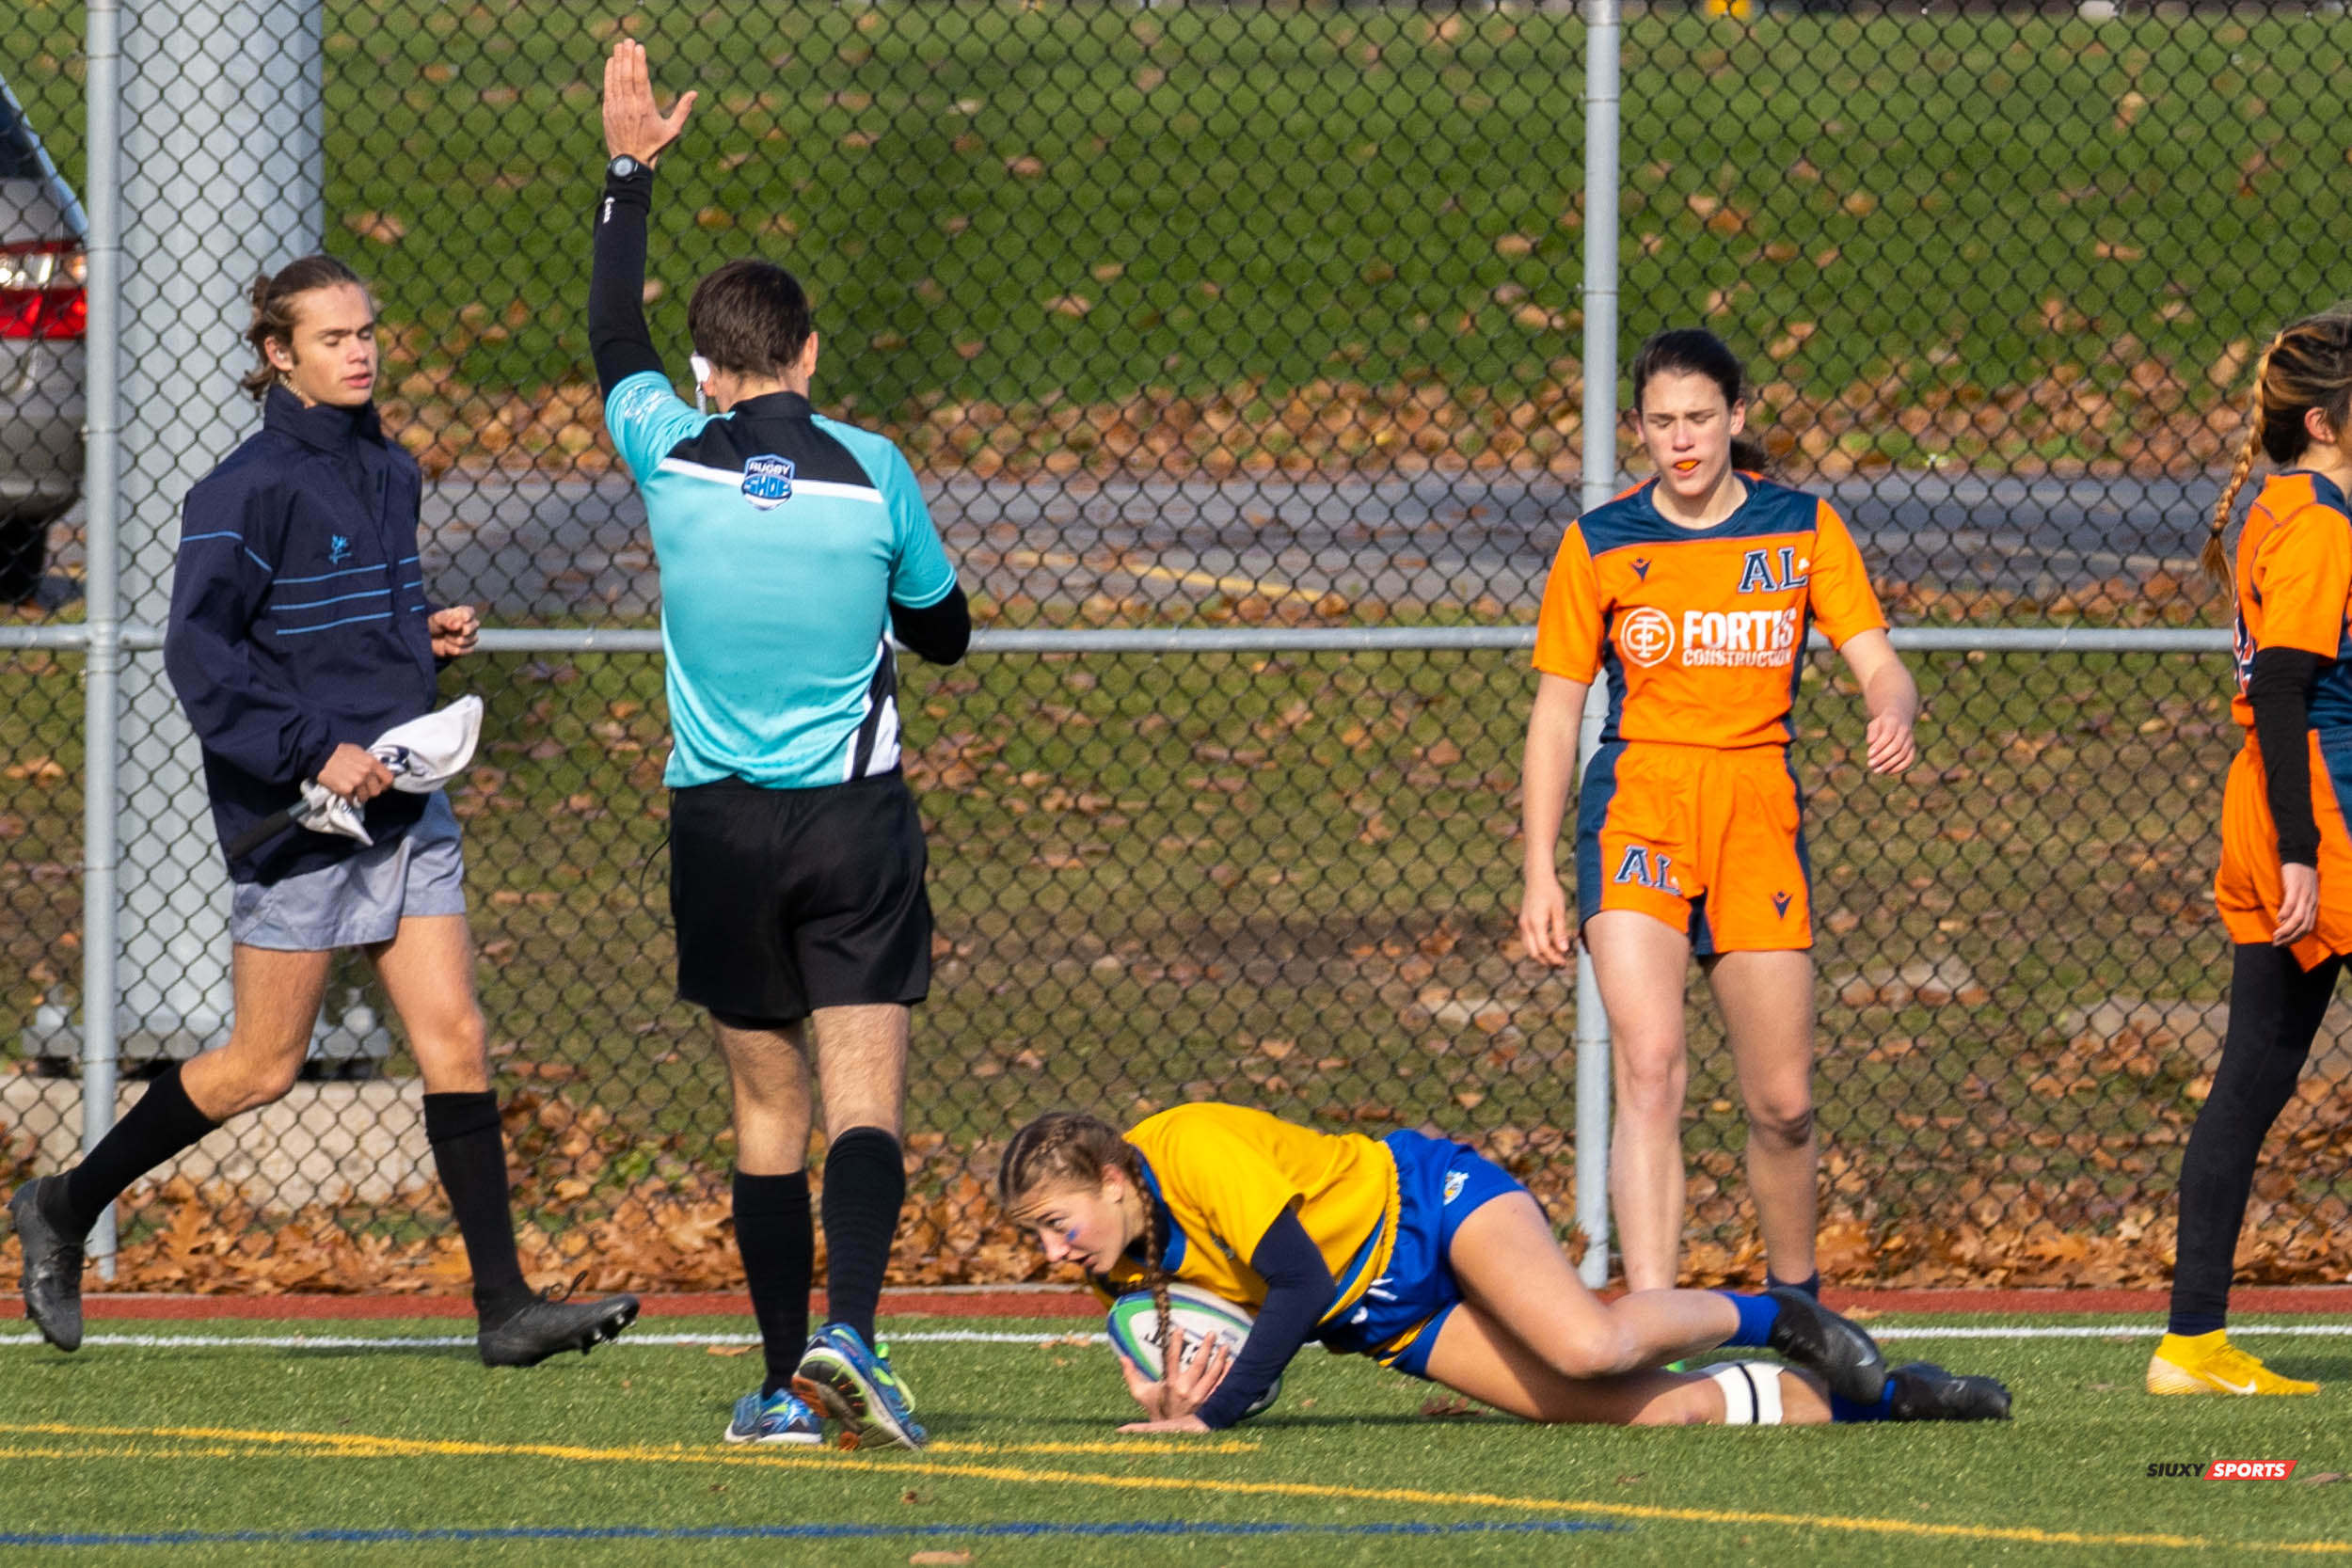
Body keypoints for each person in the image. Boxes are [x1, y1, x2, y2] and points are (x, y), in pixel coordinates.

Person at [5, 255, 639, 1366]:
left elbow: (350, 621)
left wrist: (418, 638)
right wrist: (312, 752)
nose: (361, 350)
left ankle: (505, 1307)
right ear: (276, 356)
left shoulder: (390, 469)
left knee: (456, 1035)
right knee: (260, 1062)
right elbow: (200, 655)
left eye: (367, 331)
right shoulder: (241, 491)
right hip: (299, 816)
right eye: (334, 336)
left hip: (403, 803)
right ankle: (63, 1203)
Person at [591, 41, 971, 1450]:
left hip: (719, 824)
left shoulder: (666, 449)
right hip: (852, 822)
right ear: (810, 354)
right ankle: (852, 1335)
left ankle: (775, 1388)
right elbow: (944, 633)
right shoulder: (874, 468)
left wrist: (629, 175)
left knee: (767, 1101)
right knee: (865, 1087)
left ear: (709, 370)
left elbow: (611, 344)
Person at [1518, 328, 1918, 1297]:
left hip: (1754, 813)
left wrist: (1890, 708)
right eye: (1660, 422)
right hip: (1639, 810)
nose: (1681, 440)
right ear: (1639, 431)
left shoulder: (1801, 527)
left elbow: (1879, 659)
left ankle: (1796, 1306)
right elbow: (1556, 710)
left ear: (1736, 419)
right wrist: (1537, 866)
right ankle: (1651, 1316)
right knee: (1650, 1066)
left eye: (1699, 418)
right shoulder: (1602, 541)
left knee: (1782, 1104)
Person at [998, 1104, 2010, 1431]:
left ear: (1108, 1171)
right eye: (1037, 1236)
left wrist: (1210, 1418)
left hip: (1423, 1207)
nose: (1053, 1252)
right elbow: (1261, 1325)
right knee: (1640, 1409)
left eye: (1055, 1220)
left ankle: (1766, 1309)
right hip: (1380, 1319)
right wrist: (1181, 1380)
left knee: (1588, 1337)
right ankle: (1886, 1403)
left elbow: (1296, 1286)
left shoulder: (1190, 1148)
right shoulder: (1115, 1257)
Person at [2151, 308, 2352, 1398]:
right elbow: (2283, 683)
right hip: (2317, 816)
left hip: (2278, 810)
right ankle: (2187, 1341)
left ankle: (2191, 1340)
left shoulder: (2282, 504)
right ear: (2323, 420)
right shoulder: (2319, 521)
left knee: (2254, 1075)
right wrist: (2300, 848)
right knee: (2252, 1076)